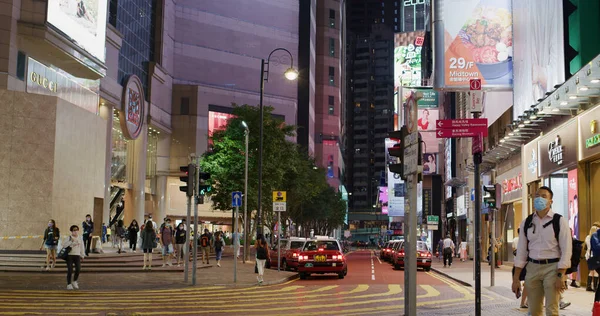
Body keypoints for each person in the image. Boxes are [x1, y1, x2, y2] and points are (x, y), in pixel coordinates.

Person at [512, 186, 572, 316]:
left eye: (544, 196)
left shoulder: (559, 221)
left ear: (551, 201)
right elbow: (521, 251)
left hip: (552, 268)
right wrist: (516, 278)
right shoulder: (527, 222)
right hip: (532, 268)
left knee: (552, 310)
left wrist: (561, 275)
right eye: (537, 196)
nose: (540, 199)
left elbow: (566, 250)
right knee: (534, 311)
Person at [61, 225, 86, 290]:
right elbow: (64, 245)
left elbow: (82, 247)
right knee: (70, 270)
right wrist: (71, 241)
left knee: (78, 269)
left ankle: (74, 281)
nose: (75, 231)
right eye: (74, 230)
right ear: (71, 231)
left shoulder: (80, 238)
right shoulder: (69, 237)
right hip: (69, 255)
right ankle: (69, 284)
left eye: (77, 230)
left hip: (77, 255)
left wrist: (82, 255)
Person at [512, 228, 528, 309]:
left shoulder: (515, 239)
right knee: (527, 283)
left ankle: (525, 301)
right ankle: (524, 302)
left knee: (525, 283)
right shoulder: (526, 240)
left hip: (517, 264)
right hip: (525, 265)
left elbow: (513, 250)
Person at [585, 223, 600, 291]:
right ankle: (595, 287)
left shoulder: (588, 237)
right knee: (596, 272)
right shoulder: (595, 237)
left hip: (588, 255)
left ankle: (588, 286)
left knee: (591, 271)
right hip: (594, 256)